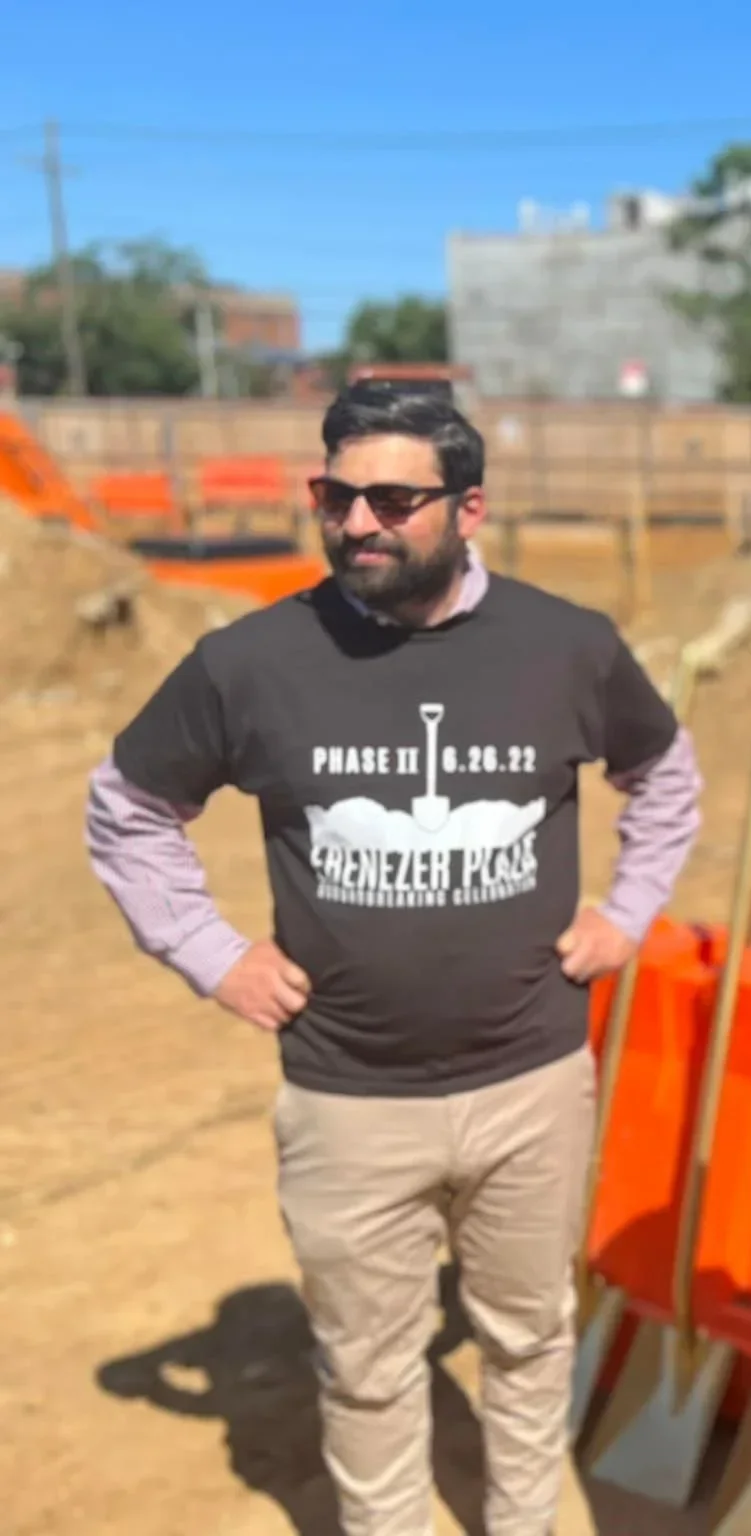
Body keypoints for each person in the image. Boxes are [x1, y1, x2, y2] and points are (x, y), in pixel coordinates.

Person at [84, 382, 702, 1536]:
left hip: (532, 1081)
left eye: (391, 498)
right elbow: (126, 808)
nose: (357, 520)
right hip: (348, 1098)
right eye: (335, 494)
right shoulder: (252, 661)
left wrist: (627, 910)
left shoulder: (564, 646)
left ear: (468, 508)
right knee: (367, 1366)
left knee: (526, 1341)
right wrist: (210, 952)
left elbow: (663, 776)